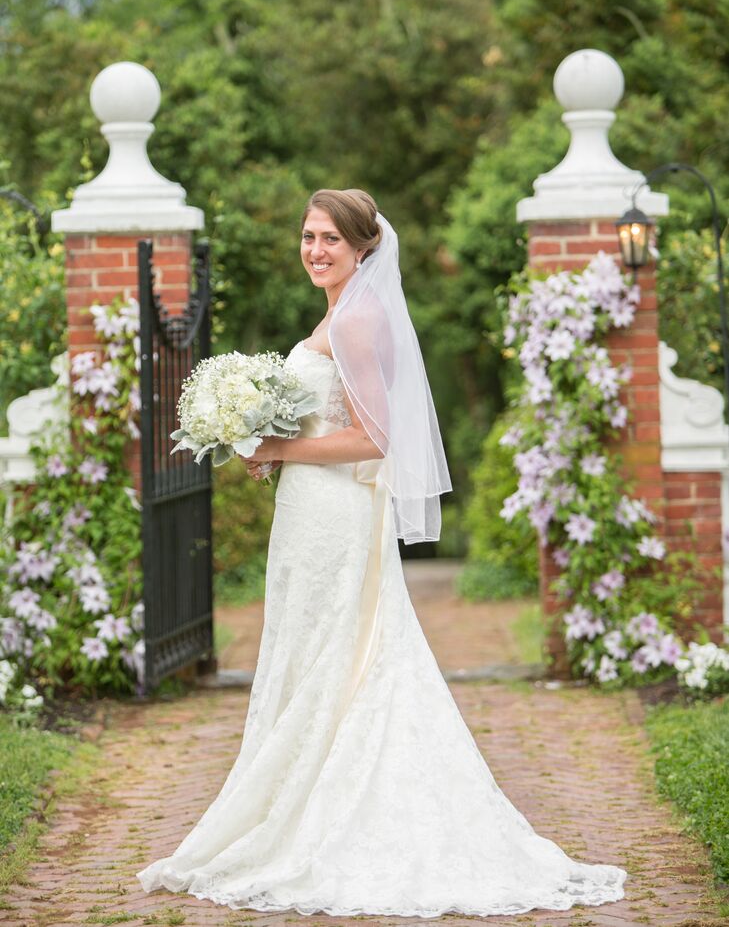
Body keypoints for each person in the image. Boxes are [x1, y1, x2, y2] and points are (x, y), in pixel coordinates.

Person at [136, 188, 628, 918]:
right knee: (314, 651)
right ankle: (305, 798)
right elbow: (336, 419)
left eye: (330, 238)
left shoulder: (359, 319)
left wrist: (280, 444)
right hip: (310, 507)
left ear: (364, 246)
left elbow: (376, 438)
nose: (315, 250)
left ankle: (327, 812)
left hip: (336, 515)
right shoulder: (341, 310)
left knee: (343, 653)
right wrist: (270, 450)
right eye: (307, 236)